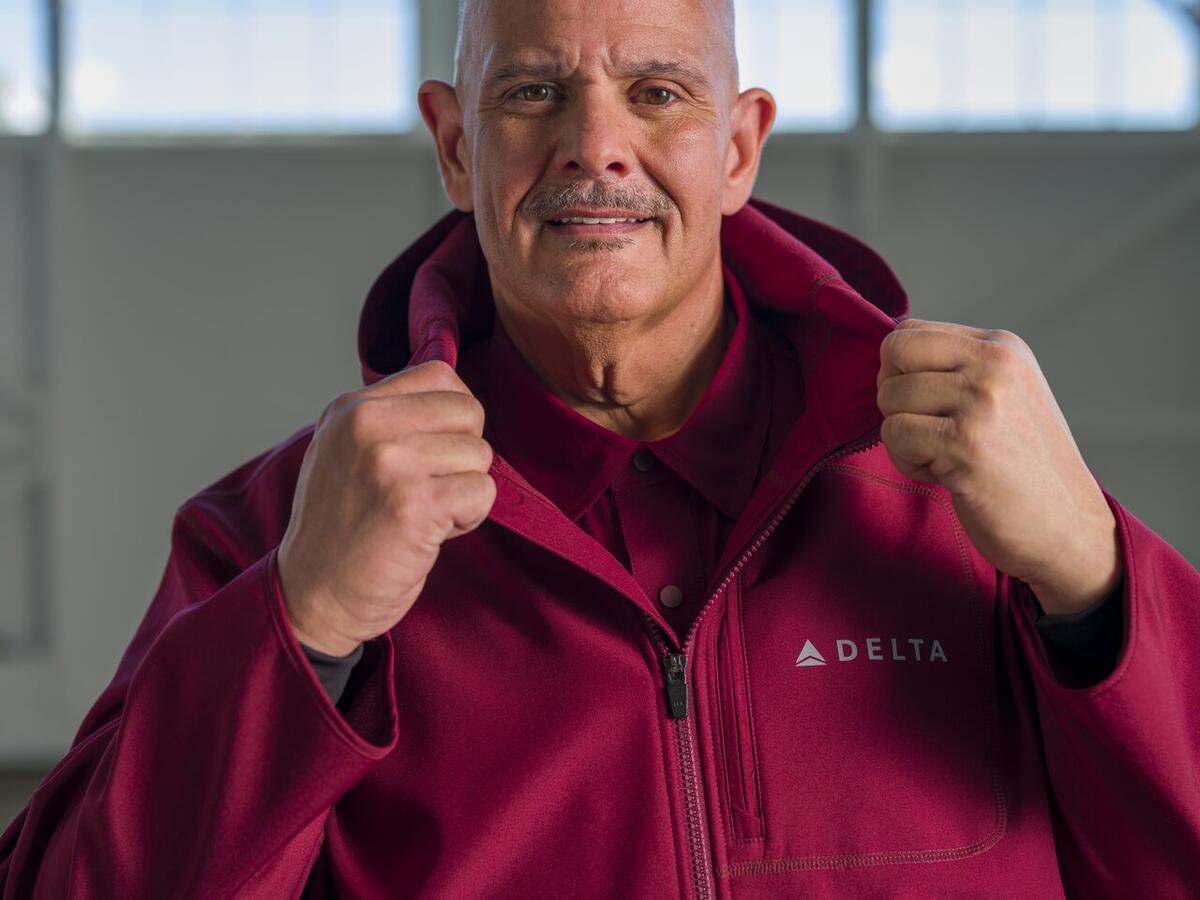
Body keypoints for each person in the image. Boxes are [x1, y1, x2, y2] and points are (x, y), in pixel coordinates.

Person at [2, 0, 1198, 896]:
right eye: (533, 93)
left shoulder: (976, 502)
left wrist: (1097, 582)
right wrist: (302, 633)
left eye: (659, 92)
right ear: (455, 145)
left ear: (739, 149)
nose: (595, 146)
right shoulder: (279, 536)